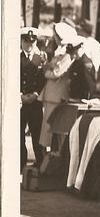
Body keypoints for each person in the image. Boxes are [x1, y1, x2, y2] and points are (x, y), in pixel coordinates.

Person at [38, 22, 76, 152]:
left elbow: (56, 74)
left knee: (51, 129)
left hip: (57, 95)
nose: (55, 38)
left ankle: (51, 157)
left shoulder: (67, 55)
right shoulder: (60, 53)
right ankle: (47, 155)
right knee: (47, 129)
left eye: (56, 36)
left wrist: (45, 72)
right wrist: (46, 64)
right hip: (52, 95)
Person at [21, 27, 47, 170]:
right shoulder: (15, 57)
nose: (29, 45)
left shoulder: (41, 58)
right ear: (21, 41)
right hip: (20, 101)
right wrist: (20, 96)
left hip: (35, 102)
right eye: (26, 41)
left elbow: (44, 80)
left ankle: (40, 163)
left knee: (37, 134)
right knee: (19, 135)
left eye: (32, 42)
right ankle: (21, 163)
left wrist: (36, 94)